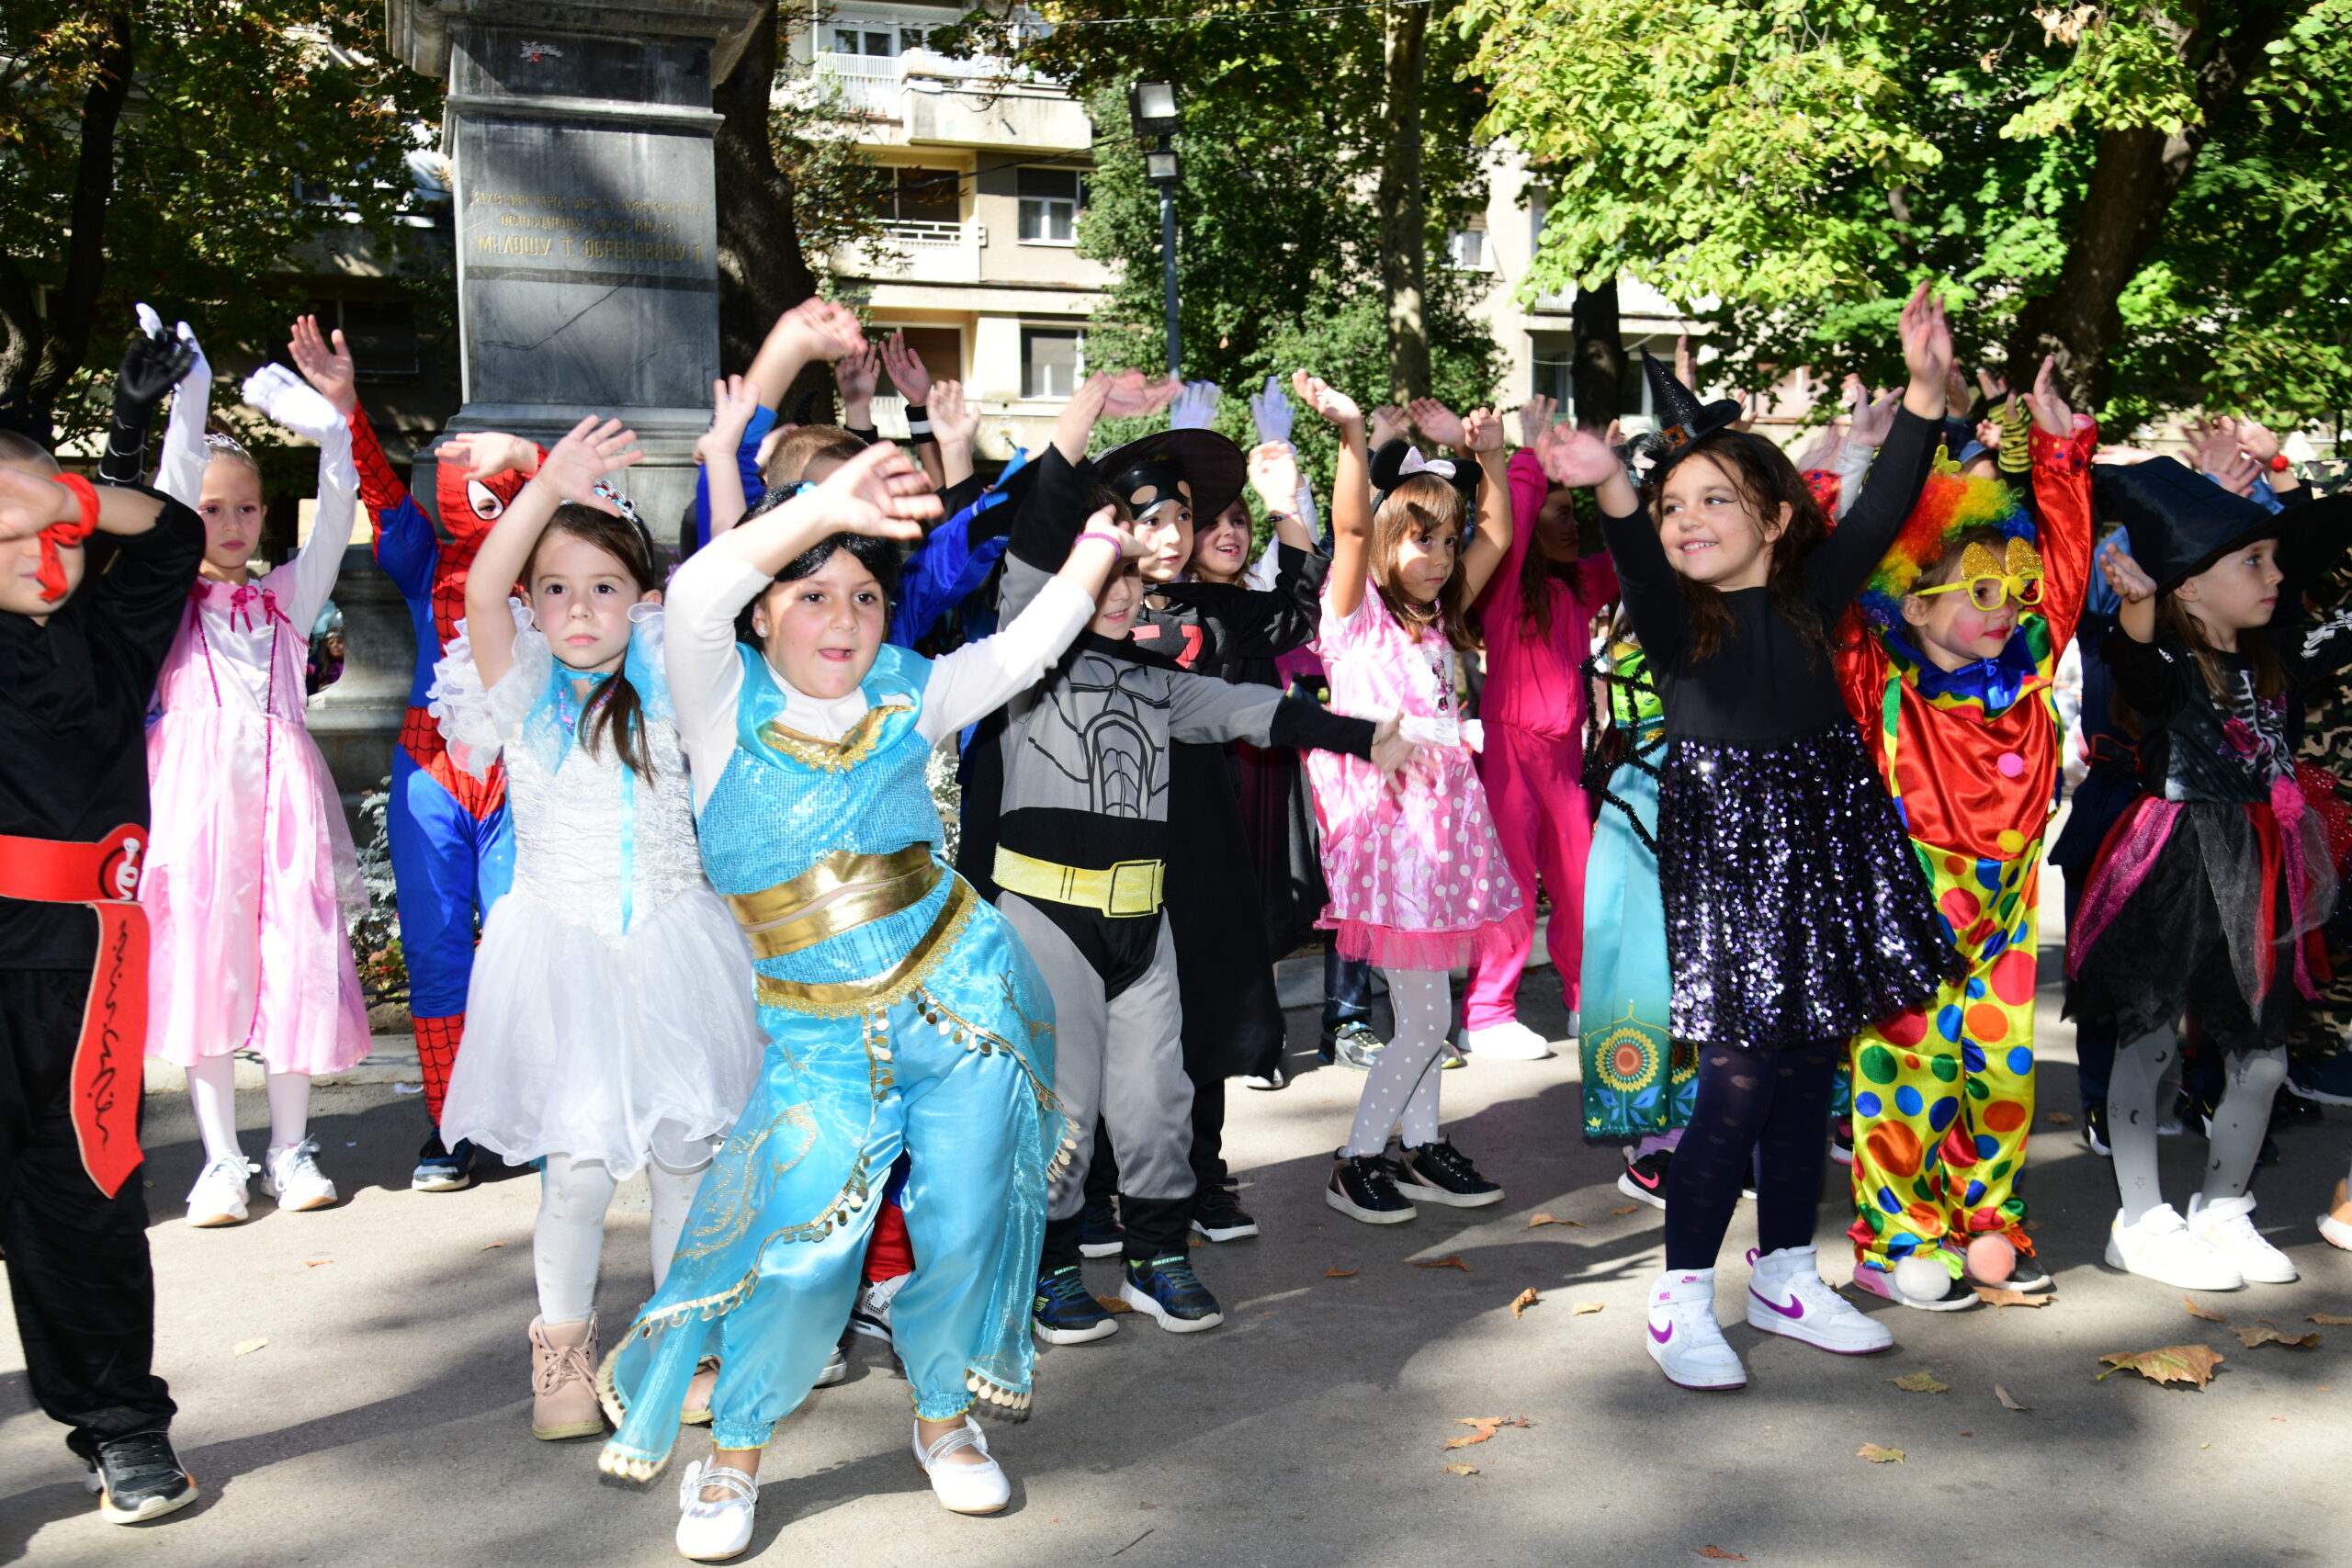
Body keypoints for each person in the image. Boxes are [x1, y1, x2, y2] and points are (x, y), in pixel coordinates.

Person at [598, 442, 1123, 1561]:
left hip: (961, 1000)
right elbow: (693, 594)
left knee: (967, 1220)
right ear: (762, 614)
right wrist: (824, 504)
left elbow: (1025, 648)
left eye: (866, 596)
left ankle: (943, 1415)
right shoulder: (718, 699)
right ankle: (735, 1451)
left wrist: (1100, 546)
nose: (843, 619)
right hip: (817, 1036)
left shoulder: (911, 690)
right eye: (812, 595)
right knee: (799, 1250)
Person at [1534, 283, 1958, 1391]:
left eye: (1713, 499)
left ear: (1772, 518)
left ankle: (1784, 1273)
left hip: (1826, 837)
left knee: (1810, 1067)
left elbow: (1884, 503)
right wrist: (1612, 487)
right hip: (1729, 854)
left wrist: (1923, 392)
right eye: (1673, 503)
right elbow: (1636, 556)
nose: (1686, 520)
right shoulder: (1677, 625)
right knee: (1737, 1075)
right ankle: (1681, 1295)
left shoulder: (1815, 596)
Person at [987, 374, 1409, 1345]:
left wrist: (1362, 736)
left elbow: (1250, 708)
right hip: (1047, 916)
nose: (1122, 593)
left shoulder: (1158, 684)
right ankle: (1050, 1269)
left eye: (1133, 582)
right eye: (1103, 576)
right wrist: (1080, 423)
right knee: (1063, 1104)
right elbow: (1036, 543)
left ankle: (1156, 1255)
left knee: (1157, 1102)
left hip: (1144, 922)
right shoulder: (1026, 658)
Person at [425, 419, 766, 1442]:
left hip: (673, 945)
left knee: (684, 1162)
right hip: (562, 955)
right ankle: (563, 1356)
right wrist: (547, 486)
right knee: (574, 1175)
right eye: (557, 588)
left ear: (645, 597)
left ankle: (681, 1345)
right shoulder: (520, 683)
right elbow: (480, 590)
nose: (580, 609)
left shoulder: (672, 679)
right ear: (532, 604)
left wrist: (720, 460)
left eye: (605, 586)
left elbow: (727, 581)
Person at [1832, 358, 2095, 1309]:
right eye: (1977, 591)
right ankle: (1897, 1233)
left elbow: (2065, 565)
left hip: (2004, 921)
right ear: (1912, 604)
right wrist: (1855, 465)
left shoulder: (2028, 667)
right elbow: (1833, 574)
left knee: (2001, 1073)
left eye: (2012, 588)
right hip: (1909, 915)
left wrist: (2057, 451)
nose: (2006, 607)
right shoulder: (1880, 679)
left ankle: (1986, 1218)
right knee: (1907, 1071)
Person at [0, 314, 201, 1522]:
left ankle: (122, 1423)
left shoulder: (113, 637)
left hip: (83, 971)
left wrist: (76, 478)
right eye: (9, 531)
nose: (43, 550)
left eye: (62, 528)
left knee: (83, 1197)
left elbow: (171, 533)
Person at [2065, 458, 2352, 1290]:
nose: (2276, 575)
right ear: (2190, 589)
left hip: (2263, 870)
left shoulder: (2276, 656)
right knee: (2150, 1038)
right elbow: (2137, 661)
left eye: (2274, 559)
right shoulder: (2165, 664)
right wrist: (2139, 607)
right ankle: (2139, 1218)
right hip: (2177, 865)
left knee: (2262, 1057)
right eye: (2253, 561)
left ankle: (2223, 1207)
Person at [143, 342, 373, 1228]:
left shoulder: (287, 597)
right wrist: (188, 402)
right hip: (199, 808)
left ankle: (289, 1147)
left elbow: (338, 514)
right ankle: (220, 1159)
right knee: (204, 963)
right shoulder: (164, 601)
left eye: (245, 507)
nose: (231, 523)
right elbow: (166, 498)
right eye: (212, 508)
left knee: (295, 958)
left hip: (283, 808)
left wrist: (335, 433)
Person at [288, 315, 516, 1192]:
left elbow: (612, 526)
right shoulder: (429, 559)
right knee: (434, 949)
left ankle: (531, 1109)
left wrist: (536, 467)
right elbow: (384, 494)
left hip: (522, 776)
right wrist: (348, 408)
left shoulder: (555, 560)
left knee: (525, 944)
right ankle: (450, 1124)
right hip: (433, 775)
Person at [1295, 371, 1529, 1225]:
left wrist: (1492, 459)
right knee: (1427, 1017)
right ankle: (1356, 1157)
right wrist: (1353, 433)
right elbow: (1352, 528)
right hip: (1388, 838)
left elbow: (1498, 534)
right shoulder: (1354, 613)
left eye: (1447, 542)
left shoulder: (1438, 615)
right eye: (1421, 540)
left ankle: (1422, 1143)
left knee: (1430, 1004)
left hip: (1444, 832)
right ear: (1391, 539)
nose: (1439, 558)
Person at [1449, 391, 1622, 1061]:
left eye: (1573, 512)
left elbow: (1637, 549)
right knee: (1513, 884)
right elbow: (1511, 523)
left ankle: (1586, 998)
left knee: (1581, 884)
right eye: (1560, 513)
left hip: (1563, 757)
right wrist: (1528, 456)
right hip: (1510, 749)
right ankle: (1486, 1014)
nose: (1571, 524)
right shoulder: (1504, 586)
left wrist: (1616, 473)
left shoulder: (1580, 585)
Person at [1577, 626, 1696, 1206]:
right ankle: (1662, 1140)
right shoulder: (1646, 612)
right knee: (1653, 964)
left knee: (1716, 967)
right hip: (1652, 797)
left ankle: (1718, 1127)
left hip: (1727, 794)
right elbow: (1623, 712)